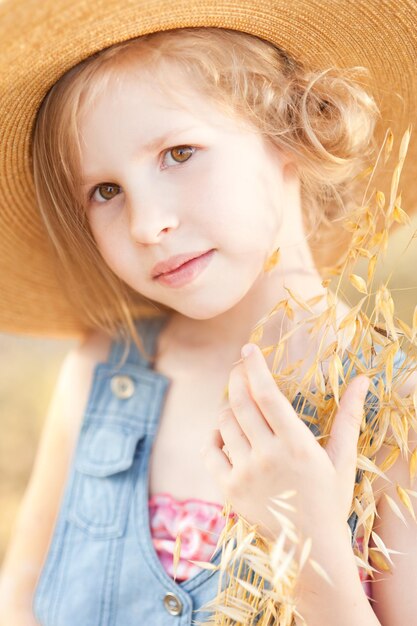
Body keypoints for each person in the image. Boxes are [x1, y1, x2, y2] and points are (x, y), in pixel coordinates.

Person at [0, 1, 416, 624]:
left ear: (295, 130)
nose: (146, 225)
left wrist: (309, 547)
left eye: (179, 153)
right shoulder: (98, 377)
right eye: (106, 191)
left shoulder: (393, 412)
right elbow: (22, 598)